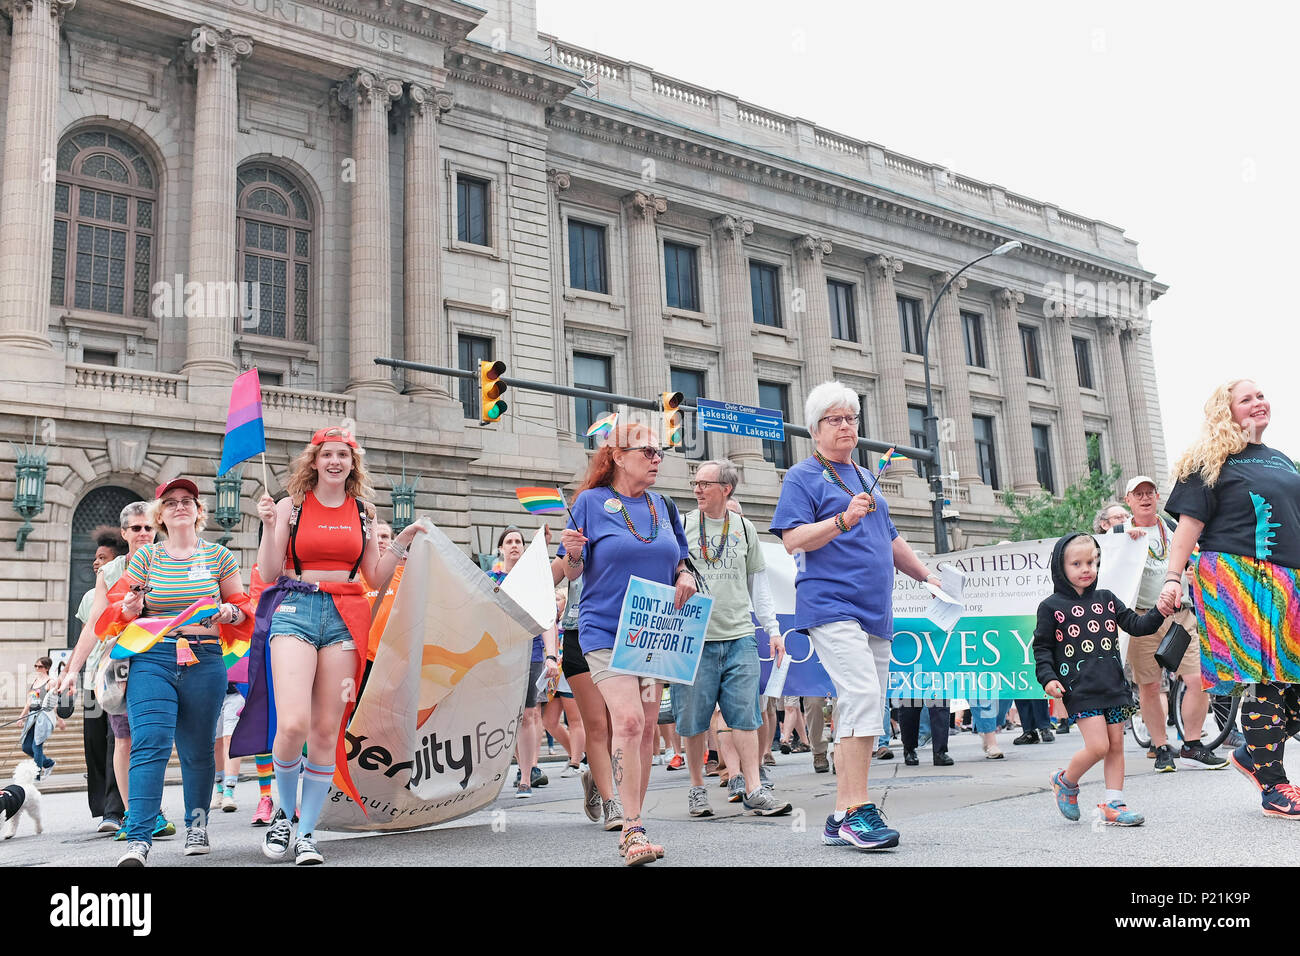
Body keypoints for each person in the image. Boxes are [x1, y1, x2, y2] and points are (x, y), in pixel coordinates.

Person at [769, 382, 942, 851]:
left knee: (861, 702)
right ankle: (858, 808)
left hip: (874, 608)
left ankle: (842, 814)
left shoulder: (866, 477)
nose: (846, 426)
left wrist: (927, 576)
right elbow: (793, 540)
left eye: (851, 418)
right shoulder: (801, 477)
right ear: (814, 429)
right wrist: (842, 520)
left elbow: (888, 538)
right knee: (861, 692)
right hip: (830, 603)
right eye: (835, 419)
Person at [241, 426, 424, 865]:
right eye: (327, 455)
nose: (335, 462)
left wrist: (402, 540)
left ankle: (306, 833)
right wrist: (270, 527)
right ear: (315, 461)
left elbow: (375, 577)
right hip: (294, 610)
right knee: (292, 726)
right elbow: (268, 571)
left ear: (353, 462)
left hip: (345, 618)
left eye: (343, 454)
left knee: (327, 731)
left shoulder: (364, 511)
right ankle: (282, 814)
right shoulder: (291, 505)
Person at [553, 420, 697, 865]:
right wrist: (573, 551)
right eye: (647, 451)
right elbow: (573, 571)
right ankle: (631, 830)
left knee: (648, 729)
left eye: (659, 453)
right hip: (605, 630)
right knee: (630, 722)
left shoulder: (664, 505)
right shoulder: (590, 503)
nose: (656, 459)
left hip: (656, 631)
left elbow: (680, 559)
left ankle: (634, 823)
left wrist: (685, 574)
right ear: (616, 455)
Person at [1161, 379, 1300, 818]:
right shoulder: (1211, 461)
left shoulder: (1283, 460)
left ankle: (1250, 756)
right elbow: (1188, 528)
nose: (1259, 402)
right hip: (1239, 579)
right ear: (1228, 411)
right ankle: (1274, 786)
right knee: (1267, 680)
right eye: (1247, 398)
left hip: (1289, 581)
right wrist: (1171, 577)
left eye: (1261, 395)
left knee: (1290, 683)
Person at [109, 478, 252, 865]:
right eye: (171, 502)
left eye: (187, 500)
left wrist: (229, 612)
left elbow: (242, 607)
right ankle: (138, 838)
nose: (180, 506)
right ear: (161, 515)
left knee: (198, 750)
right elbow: (121, 611)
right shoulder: (147, 558)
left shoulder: (220, 556)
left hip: (204, 658)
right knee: (149, 743)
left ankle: (197, 825)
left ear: (198, 511)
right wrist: (130, 606)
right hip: (153, 657)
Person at [671, 460, 790, 817]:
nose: (697, 490)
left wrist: (772, 629)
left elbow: (759, 584)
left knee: (746, 716)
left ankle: (754, 787)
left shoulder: (745, 528)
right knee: (692, 720)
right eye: (695, 483)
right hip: (694, 639)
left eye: (705, 484)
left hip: (740, 636)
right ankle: (696, 787)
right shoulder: (683, 527)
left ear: (726, 489)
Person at [61, 502, 174, 841]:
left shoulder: (173, 561)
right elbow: (93, 625)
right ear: (124, 534)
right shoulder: (110, 573)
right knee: (124, 739)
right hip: (123, 667)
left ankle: (156, 811)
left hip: (168, 661)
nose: (143, 533)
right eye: (136, 528)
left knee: (157, 740)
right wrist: (72, 670)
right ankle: (137, 814)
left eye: (147, 528)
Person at [1038, 532, 1166, 826]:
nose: (1086, 569)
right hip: (1079, 688)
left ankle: (1113, 803)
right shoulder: (1050, 607)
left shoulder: (1107, 599)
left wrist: (1159, 610)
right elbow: (1042, 648)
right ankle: (1065, 781)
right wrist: (1047, 678)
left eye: (1091, 563)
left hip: (1113, 686)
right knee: (1098, 747)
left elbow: (1137, 624)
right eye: (1077, 564)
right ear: (1061, 567)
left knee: (1116, 746)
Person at [1114, 474, 1228, 772]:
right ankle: (1161, 746)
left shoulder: (1174, 528)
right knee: (1150, 685)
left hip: (1180, 615)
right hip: (1140, 618)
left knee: (1198, 679)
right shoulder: (1117, 533)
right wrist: (1124, 542)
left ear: (1157, 497)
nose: (1145, 497)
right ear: (1128, 500)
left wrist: (1194, 573)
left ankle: (1192, 744)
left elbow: (1195, 560)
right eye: (1137, 493)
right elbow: (1104, 571)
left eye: (1150, 491)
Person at [488, 527, 559, 797]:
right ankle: (518, 765)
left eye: (519, 541)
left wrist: (551, 655)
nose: (515, 545)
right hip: (499, 655)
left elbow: (546, 618)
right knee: (507, 717)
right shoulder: (491, 579)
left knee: (530, 714)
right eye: (509, 541)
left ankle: (526, 778)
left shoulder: (534, 581)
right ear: (501, 549)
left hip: (531, 654)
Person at [557, 575, 623, 830]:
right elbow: (547, 575)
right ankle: (611, 803)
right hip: (578, 631)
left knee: (616, 724)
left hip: (618, 631)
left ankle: (595, 777)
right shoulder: (576, 535)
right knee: (596, 725)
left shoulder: (626, 534)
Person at [74, 529, 127, 832]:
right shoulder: (88, 597)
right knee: (94, 741)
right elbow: (85, 634)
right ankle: (102, 805)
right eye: (95, 558)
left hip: (117, 675)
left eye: (102, 558)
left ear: (116, 562)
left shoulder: (123, 586)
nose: (96, 563)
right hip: (92, 678)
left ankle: (114, 809)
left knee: (115, 739)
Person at [19, 657, 63, 779]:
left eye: (40, 666)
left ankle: (36, 775)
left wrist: (59, 719)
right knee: (26, 746)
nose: (37, 669)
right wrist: (21, 717)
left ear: (47, 668)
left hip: (43, 716)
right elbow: (29, 701)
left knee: (36, 745)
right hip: (32, 715)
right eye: (36, 666)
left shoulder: (51, 682)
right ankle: (48, 763)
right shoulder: (35, 682)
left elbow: (53, 703)